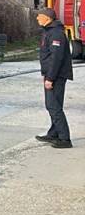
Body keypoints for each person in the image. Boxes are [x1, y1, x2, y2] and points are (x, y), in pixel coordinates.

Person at [35, 8, 72, 149]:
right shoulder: (48, 31)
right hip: (51, 75)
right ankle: (53, 133)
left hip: (56, 76)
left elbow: (56, 59)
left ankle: (65, 139)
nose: (37, 18)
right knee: (52, 105)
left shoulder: (56, 34)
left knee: (54, 106)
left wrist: (50, 78)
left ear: (47, 18)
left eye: (40, 16)